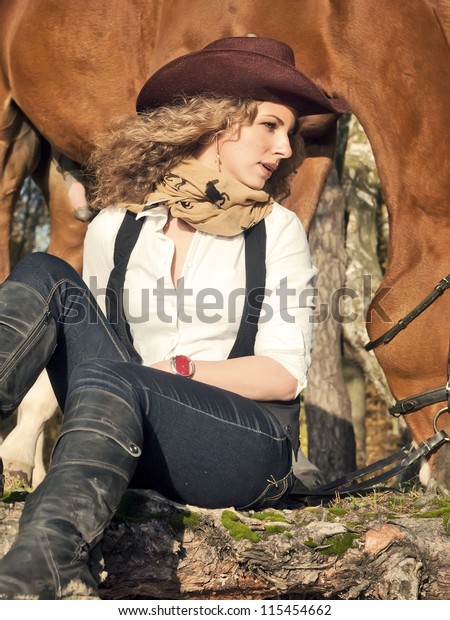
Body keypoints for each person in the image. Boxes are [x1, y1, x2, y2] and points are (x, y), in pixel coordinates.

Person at [0, 36, 348, 599]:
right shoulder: (116, 226)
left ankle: (46, 564)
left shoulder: (276, 230)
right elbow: (92, 350)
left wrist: (181, 370)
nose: (286, 149)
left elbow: (283, 374)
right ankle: (46, 566)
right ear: (218, 124)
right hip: (125, 430)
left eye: (290, 132)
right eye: (271, 125)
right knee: (42, 271)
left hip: (241, 440)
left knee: (117, 377)